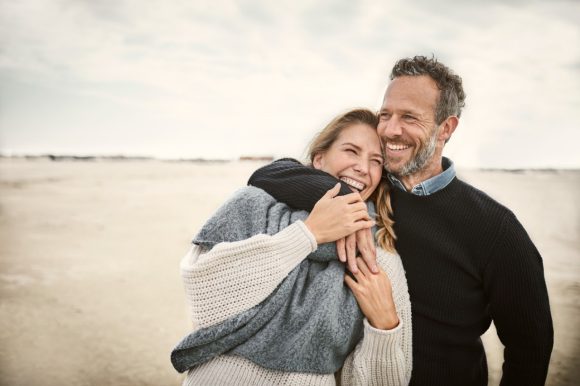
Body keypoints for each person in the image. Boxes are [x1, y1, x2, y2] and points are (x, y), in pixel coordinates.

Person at [249, 56, 554, 386]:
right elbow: (268, 173)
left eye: (409, 117)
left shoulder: (495, 228)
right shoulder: (368, 189)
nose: (390, 130)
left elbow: (530, 345)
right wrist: (342, 196)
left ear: (446, 128)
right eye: (386, 115)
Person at [173, 109, 412, 385]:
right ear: (319, 159)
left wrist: (385, 328)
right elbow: (205, 301)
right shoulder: (252, 204)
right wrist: (308, 234)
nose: (363, 167)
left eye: (376, 161)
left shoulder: (376, 254)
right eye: (351, 151)